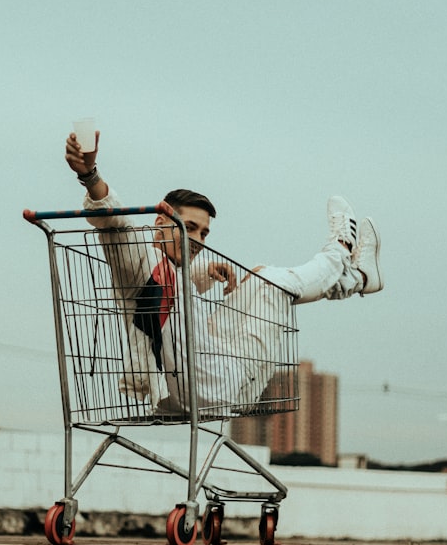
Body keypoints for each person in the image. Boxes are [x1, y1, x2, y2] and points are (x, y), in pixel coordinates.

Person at [64, 130, 382, 415]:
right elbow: (114, 222)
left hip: (201, 374)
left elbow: (174, 281)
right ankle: (341, 248)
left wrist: (204, 269)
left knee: (257, 273)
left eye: (203, 234)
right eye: (189, 228)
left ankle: (357, 279)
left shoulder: (168, 271)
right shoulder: (136, 257)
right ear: (160, 222)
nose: (198, 241)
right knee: (272, 283)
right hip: (219, 388)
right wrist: (90, 175)